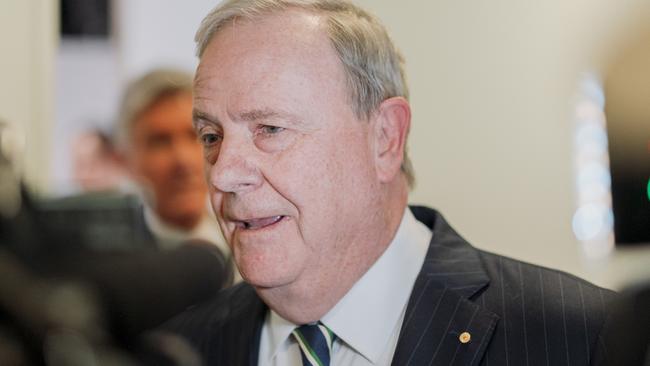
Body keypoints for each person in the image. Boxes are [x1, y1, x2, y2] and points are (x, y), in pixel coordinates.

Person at [164, 1, 615, 365]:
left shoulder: (586, 337)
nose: (223, 173)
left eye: (270, 130)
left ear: (385, 138)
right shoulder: (181, 348)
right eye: (210, 136)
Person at [114, 69, 231, 256]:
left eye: (196, 136)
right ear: (126, 159)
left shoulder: (247, 243)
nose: (183, 160)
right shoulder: (114, 261)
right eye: (160, 142)